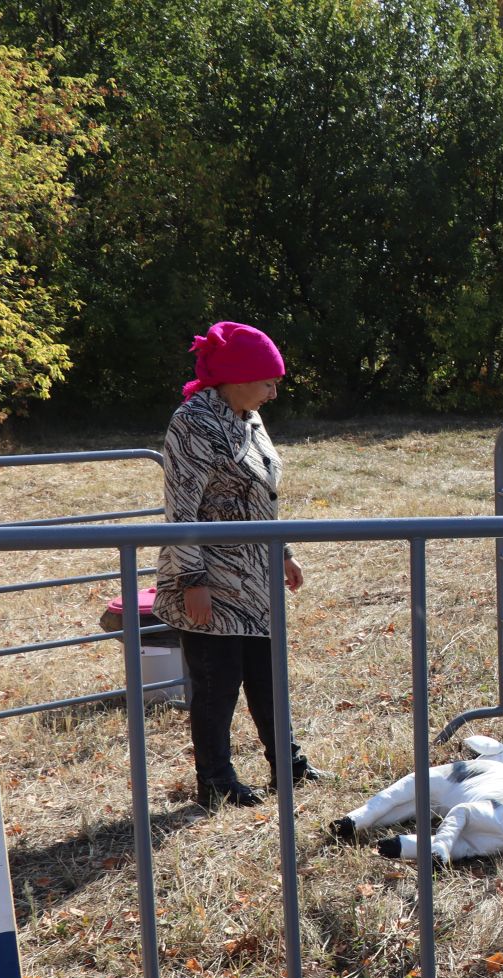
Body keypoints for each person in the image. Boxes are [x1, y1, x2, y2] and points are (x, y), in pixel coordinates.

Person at [154, 321, 322, 808]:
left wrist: (282, 551)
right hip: (210, 577)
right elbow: (180, 509)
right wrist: (192, 580)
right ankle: (217, 782)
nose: (274, 392)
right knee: (217, 683)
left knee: (267, 675)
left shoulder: (247, 416)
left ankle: (288, 765)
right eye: (268, 381)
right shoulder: (194, 423)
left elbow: (262, 494)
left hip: (255, 576)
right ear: (235, 376)